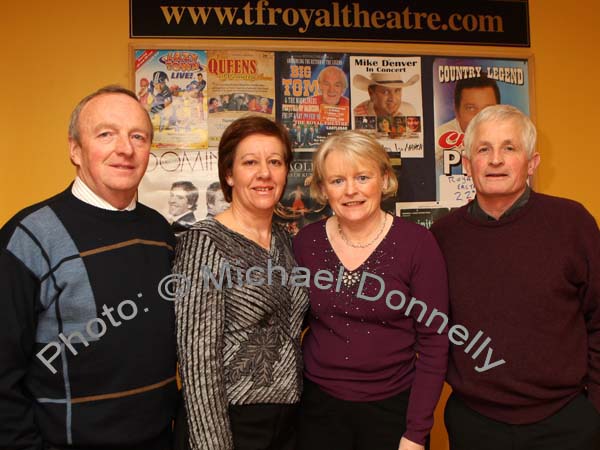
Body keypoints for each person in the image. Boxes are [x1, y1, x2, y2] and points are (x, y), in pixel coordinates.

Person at [0, 86, 178, 449]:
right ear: (75, 150)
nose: (125, 149)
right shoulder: (29, 236)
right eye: (106, 134)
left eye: (138, 137)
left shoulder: (161, 231)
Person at [430, 105, 600, 449]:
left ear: (532, 163)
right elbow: (431, 326)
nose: (495, 160)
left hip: (568, 420)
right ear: (466, 164)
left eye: (509, 148)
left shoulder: (573, 223)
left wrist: (594, 408)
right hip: (475, 423)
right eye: (483, 149)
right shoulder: (442, 236)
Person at [294, 130, 449, 450]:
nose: (351, 190)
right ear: (323, 189)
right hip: (318, 409)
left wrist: (416, 432)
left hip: (394, 410)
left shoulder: (417, 244)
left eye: (362, 177)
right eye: (337, 180)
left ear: (384, 178)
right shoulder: (305, 243)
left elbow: (435, 342)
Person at [174, 116, 309, 450]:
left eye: (275, 162)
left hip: (288, 420)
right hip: (231, 422)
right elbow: (197, 359)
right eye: (250, 162)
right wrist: (213, 443)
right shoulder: (204, 241)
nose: (264, 173)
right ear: (229, 174)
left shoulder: (284, 238)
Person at [435, 74, 500, 172]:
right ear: (457, 112)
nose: (480, 117)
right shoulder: (436, 141)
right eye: (471, 108)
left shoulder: (510, 137)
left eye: (488, 109)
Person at [353, 73, 420, 118]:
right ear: (371, 93)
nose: (392, 98)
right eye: (385, 92)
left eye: (397, 91)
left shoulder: (409, 111)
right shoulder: (357, 114)